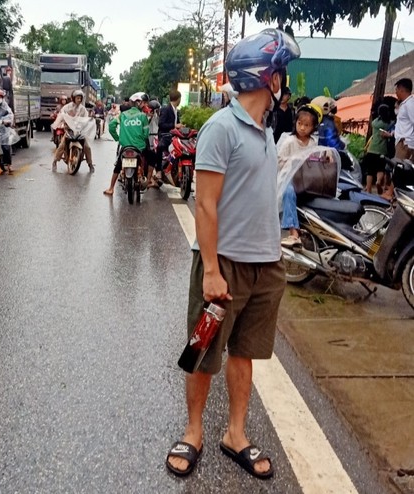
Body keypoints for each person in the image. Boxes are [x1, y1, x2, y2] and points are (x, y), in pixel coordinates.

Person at [165, 28, 300, 480]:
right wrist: (210, 270)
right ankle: (194, 431)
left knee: (245, 353)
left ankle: (235, 434)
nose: (284, 82)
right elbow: (204, 204)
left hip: (266, 266)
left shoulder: (264, 131)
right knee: (203, 352)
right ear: (267, 77)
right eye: (280, 73)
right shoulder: (220, 129)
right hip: (224, 267)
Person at [277, 104, 322, 248]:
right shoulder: (290, 141)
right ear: (295, 123)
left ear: (313, 127)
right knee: (289, 192)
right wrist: (292, 162)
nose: (302, 128)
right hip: (291, 178)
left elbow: (316, 158)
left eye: (307, 125)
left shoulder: (314, 142)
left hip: (308, 178)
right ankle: (293, 233)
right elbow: (279, 161)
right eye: (300, 123)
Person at [103, 94, 150, 195]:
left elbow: (111, 126)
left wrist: (118, 138)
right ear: (139, 104)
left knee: (118, 166)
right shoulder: (143, 116)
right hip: (139, 147)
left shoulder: (123, 115)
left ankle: (111, 188)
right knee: (146, 161)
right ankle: (145, 179)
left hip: (125, 147)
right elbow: (146, 134)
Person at [52, 89, 95, 173]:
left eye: (80, 98)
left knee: (87, 146)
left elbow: (86, 118)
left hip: (79, 131)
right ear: (73, 98)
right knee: (62, 145)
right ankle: (55, 161)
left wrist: (89, 120)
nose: (79, 100)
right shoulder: (67, 107)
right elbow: (61, 113)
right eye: (77, 98)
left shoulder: (83, 109)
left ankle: (90, 164)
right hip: (69, 130)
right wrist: (61, 119)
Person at [362, 104, 393, 194]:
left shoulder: (375, 122)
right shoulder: (387, 124)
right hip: (382, 150)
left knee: (370, 171)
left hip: (372, 149)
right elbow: (386, 132)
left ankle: (368, 189)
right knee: (380, 169)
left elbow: (376, 126)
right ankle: (378, 182)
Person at [156, 90, 183, 183]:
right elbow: (161, 124)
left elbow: (177, 123)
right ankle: (158, 170)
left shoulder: (176, 111)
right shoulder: (165, 109)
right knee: (159, 148)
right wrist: (174, 126)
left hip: (175, 137)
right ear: (178, 99)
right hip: (165, 136)